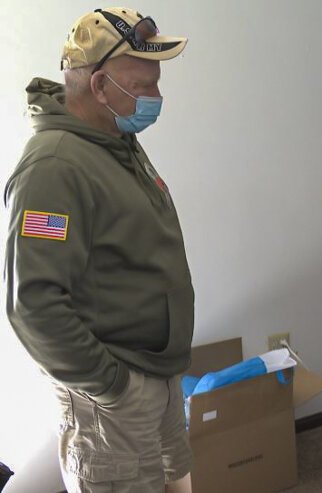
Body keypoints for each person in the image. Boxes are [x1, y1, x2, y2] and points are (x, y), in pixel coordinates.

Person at [4, 8, 194, 493]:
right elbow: (33, 305)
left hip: (158, 372)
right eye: (144, 86)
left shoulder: (116, 139)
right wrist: (112, 388)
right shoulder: (54, 167)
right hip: (115, 395)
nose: (156, 97)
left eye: (157, 83)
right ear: (100, 86)